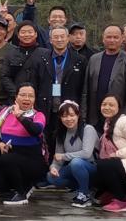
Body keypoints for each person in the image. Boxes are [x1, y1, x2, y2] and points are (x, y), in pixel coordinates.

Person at [25, 25, 85, 155]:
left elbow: (83, 88)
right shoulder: (40, 59)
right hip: (45, 107)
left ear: (68, 38)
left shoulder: (79, 60)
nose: (59, 39)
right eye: (56, 37)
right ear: (50, 40)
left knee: (65, 140)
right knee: (47, 140)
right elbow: (33, 84)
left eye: (62, 36)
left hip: (69, 109)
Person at [0, 84, 48, 205]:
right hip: (11, 160)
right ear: (16, 97)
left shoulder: (38, 115)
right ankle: (23, 185)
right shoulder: (5, 113)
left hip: (32, 161)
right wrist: (0, 144)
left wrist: (20, 116)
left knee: (7, 158)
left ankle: (21, 194)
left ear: (34, 99)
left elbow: (35, 130)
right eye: (23, 95)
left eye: (30, 96)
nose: (27, 98)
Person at [80, 25, 126, 130]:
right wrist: (84, 115)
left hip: (118, 116)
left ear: (122, 39)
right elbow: (85, 90)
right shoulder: (94, 59)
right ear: (103, 38)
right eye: (109, 37)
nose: (112, 40)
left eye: (116, 37)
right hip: (94, 115)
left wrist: (125, 117)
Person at [44, 100, 97, 207]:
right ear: (60, 118)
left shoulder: (88, 129)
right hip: (75, 168)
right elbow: (58, 158)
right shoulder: (61, 133)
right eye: (64, 116)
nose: (68, 119)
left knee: (76, 162)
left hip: (92, 168)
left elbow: (86, 153)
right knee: (50, 177)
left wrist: (64, 156)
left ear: (78, 115)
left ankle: (85, 194)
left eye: (72, 115)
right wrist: (53, 167)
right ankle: (82, 188)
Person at [1, 21, 49, 104]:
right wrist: (17, 94)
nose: (27, 35)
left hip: (40, 100)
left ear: (36, 34)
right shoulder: (10, 53)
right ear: (18, 35)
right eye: (23, 32)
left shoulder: (46, 53)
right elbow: (5, 76)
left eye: (30, 32)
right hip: (16, 100)